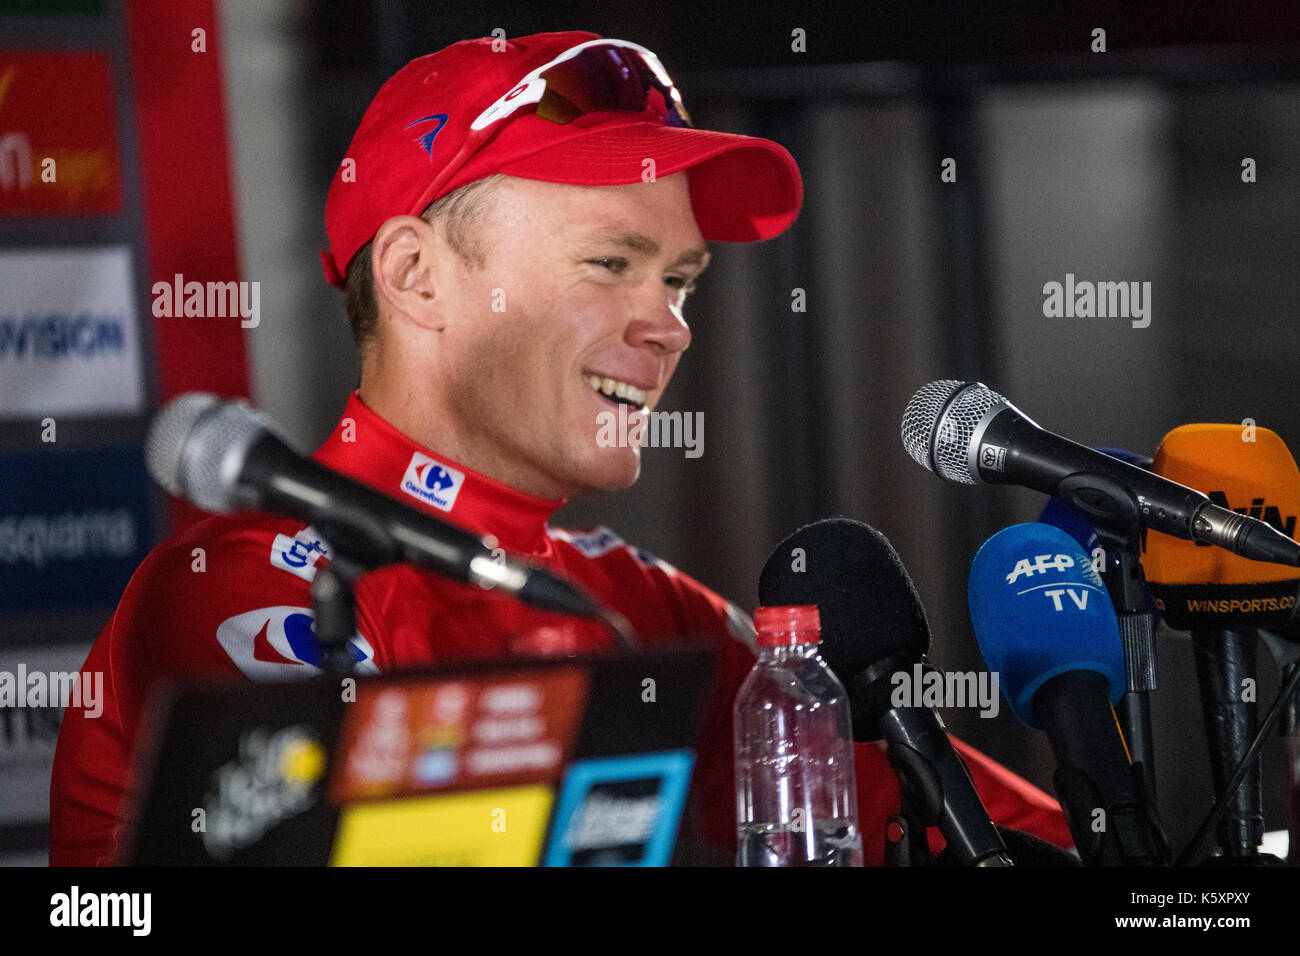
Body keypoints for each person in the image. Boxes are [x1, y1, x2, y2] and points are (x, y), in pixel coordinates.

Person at [50, 30, 1070, 865]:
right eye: (608, 262)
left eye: (677, 278)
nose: (668, 323)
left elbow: (990, 830)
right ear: (415, 277)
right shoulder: (240, 588)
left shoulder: (633, 599)